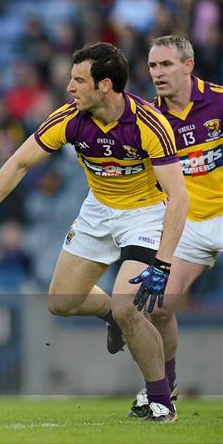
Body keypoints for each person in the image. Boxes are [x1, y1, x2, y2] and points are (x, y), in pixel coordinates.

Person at [0, 43, 188, 422]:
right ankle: (111, 317)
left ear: (104, 85)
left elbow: (179, 197)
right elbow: (19, 163)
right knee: (61, 303)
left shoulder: (149, 124)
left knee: (128, 306)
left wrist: (164, 264)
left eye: (78, 79)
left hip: (145, 216)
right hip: (98, 211)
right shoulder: (69, 118)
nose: (69, 86)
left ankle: (160, 399)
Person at [128, 35, 222, 418]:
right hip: (188, 224)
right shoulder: (152, 118)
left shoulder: (219, 99)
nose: (158, 73)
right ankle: (165, 388)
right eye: (152, 66)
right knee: (160, 307)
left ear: (188, 65)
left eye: (166, 64)